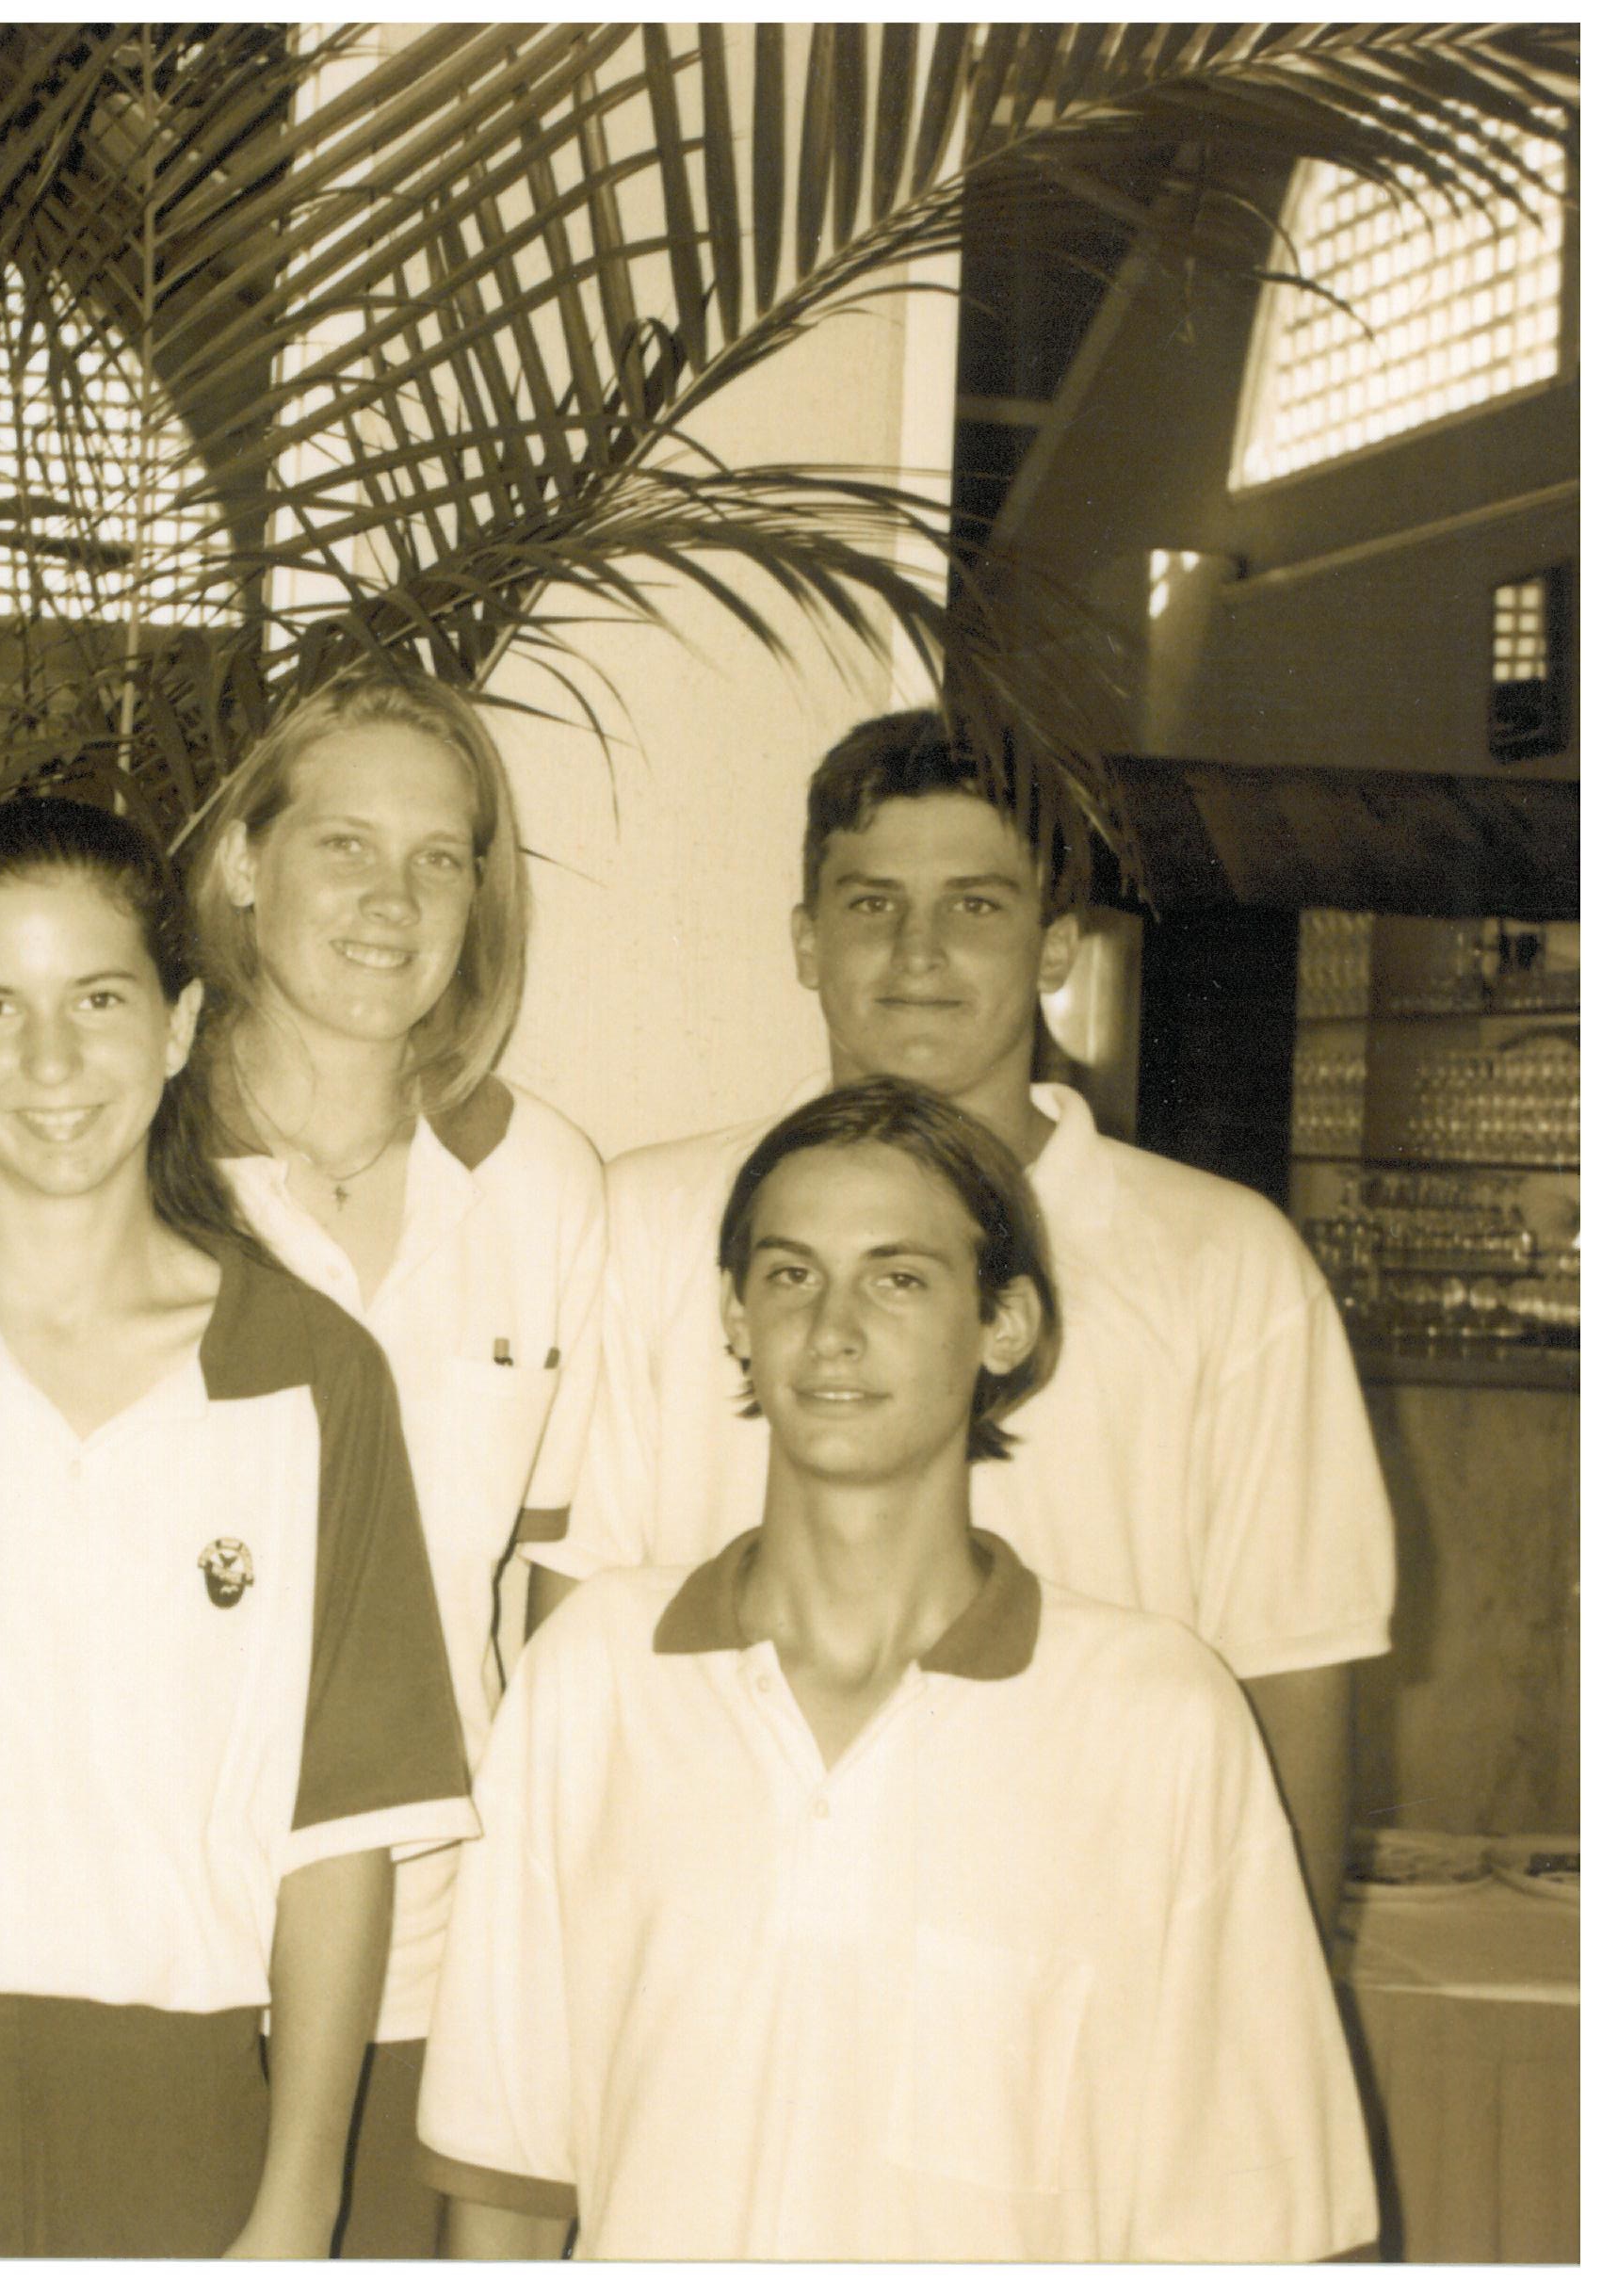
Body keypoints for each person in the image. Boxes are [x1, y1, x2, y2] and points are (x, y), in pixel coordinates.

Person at [0, 793, 474, 2258]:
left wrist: (295, 2208)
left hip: (177, 2119)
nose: (50, 1063)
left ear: (178, 1023)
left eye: (98, 999)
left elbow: (340, 1838)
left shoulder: (309, 1374)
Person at [421, 1079, 1378, 2261]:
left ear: (1004, 1325)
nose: (832, 1327)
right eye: (788, 1274)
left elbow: (1261, 2221)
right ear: (730, 1314)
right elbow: (507, 2182)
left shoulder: (1156, 1717)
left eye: (898, 1276)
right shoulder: (592, 1682)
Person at [529, 710, 1390, 1929]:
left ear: (1053, 944)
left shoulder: (1222, 1262)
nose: (918, 952)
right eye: (872, 903)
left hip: (1077, 1955)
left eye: (976, 905)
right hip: (715, 1939)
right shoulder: (648, 1223)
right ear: (803, 940)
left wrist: (1264, 2011)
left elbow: (1292, 1678)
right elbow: (575, 1634)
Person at [181, 669, 606, 2255]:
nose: (391, 898)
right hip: (168, 1926)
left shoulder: (544, 1182)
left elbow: (560, 1597)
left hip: (443, 1936)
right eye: (343, 843)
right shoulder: (127, 1158)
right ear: (241, 862)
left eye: (439, 858)